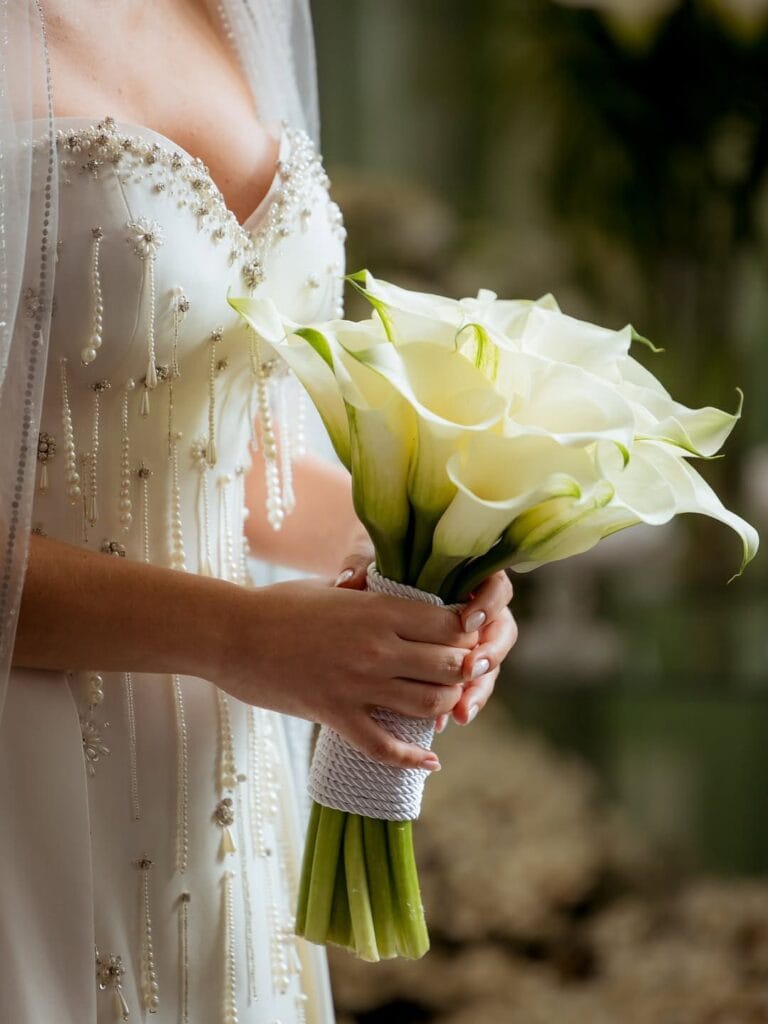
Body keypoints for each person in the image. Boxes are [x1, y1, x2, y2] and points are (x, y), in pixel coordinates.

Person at [0, 2, 517, 1021]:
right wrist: (239, 635)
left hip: (223, 793)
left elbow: (236, 463)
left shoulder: (240, 15)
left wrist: (423, 561)